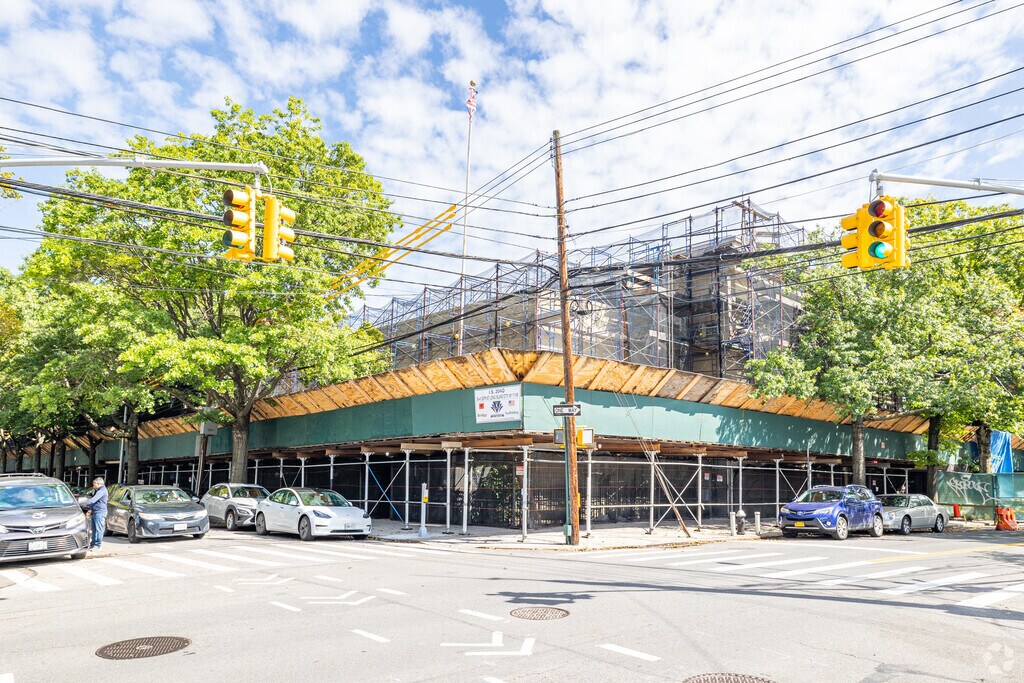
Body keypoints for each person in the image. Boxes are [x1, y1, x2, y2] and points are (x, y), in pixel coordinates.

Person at [81, 477, 108, 551]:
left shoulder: (101, 491)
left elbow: (93, 500)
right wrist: (90, 509)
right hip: (96, 512)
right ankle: (92, 544)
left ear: (99, 484)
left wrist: (85, 504)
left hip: (100, 512)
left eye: (94, 484)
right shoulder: (98, 490)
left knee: (99, 530)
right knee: (94, 529)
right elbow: (95, 502)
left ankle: (97, 545)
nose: (93, 486)